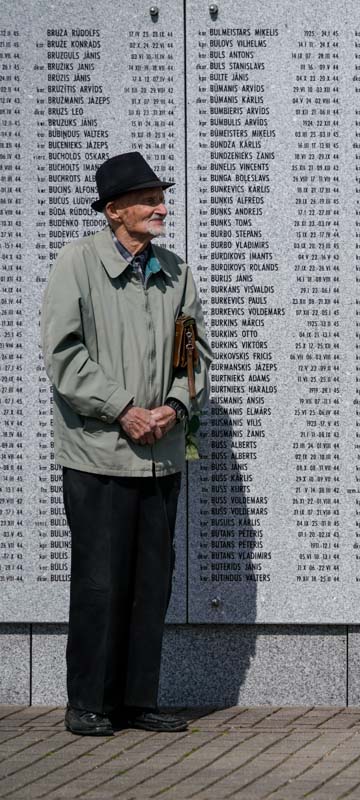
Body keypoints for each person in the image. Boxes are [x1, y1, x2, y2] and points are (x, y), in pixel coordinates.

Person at [40, 151, 210, 736]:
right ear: (114, 211)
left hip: (162, 456)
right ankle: (88, 702)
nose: (161, 206)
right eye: (146, 198)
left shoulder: (175, 271)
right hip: (98, 454)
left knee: (150, 584)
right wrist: (124, 410)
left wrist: (176, 405)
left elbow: (193, 353)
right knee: (99, 582)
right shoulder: (77, 263)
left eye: (160, 196)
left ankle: (138, 700)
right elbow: (63, 355)